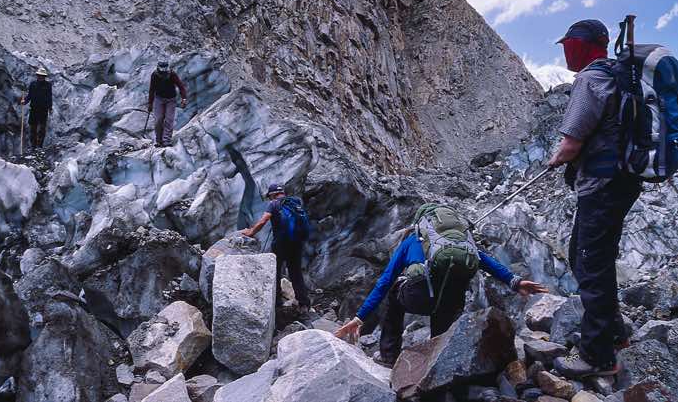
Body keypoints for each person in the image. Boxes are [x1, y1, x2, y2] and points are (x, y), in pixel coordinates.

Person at [335, 204, 547, 367]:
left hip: (418, 298)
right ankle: (437, 363)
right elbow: (488, 262)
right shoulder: (464, 244)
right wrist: (515, 282)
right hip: (451, 301)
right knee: (445, 309)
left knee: (393, 293)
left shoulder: (412, 241)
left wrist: (359, 317)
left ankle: (389, 357)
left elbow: (384, 281)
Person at [548, 20, 642, 378]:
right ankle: (613, 332)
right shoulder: (617, 75)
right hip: (621, 182)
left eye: (567, 43)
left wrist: (556, 158)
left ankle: (597, 355)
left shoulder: (590, 79)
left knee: (591, 263)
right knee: (586, 257)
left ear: (580, 44)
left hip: (601, 185)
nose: (565, 50)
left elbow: (572, 142)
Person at [241, 183, 311, 313]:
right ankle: (304, 304)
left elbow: (263, 220)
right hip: (297, 243)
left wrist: (251, 232)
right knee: (296, 273)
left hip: (281, 243)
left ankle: (277, 302)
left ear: (273, 194)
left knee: (276, 271)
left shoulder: (273, 204)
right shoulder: (295, 202)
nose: (269, 199)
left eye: (269, 196)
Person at [148, 60, 187, 147]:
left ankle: (166, 140)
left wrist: (184, 98)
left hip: (171, 100)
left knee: (169, 119)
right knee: (158, 119)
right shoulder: (154, 75)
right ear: (158, 67)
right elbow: (152, 90)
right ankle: (158, 141)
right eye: (162, 67)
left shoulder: (172, 74)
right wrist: (150, 103)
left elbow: (181, 86)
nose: (164, 69)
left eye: (165, 67)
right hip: (159, 99)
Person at [20, 66, 52, 149]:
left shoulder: (48, 85)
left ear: (44, 77)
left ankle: (40, 146)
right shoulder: (33, 84)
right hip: (33, 109)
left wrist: (50, 107)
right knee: (32, 129)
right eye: (39, 75)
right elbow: (30, 96)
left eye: (42, 76)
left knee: (42, 129)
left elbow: (49, 97)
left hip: (43, 110)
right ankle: (33, 146)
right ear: (37, 75)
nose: (40, 77)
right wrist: (25, 101)